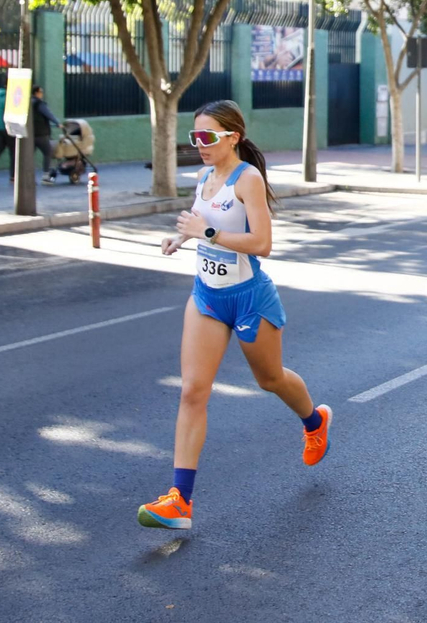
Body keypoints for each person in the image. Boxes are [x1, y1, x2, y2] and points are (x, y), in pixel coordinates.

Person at [137, 100, 330, 531]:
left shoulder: (249, 179)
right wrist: (179, 240)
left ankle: (314, 421)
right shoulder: (205, 177)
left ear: (233, 138)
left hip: (248, 297)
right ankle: (179, 501)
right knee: (192, 391)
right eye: (195, 137)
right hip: (207, 295)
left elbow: (262, 243)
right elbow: (200, 224)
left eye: (208, 137)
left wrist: (204, 232)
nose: (199, 145)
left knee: (271, 379)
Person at [31, 86, 63, 185]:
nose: (42, 94)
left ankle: (28, 177)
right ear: (36, 93)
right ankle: (45, 176)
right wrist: (58, 123)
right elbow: (48, 114)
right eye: (41, 92)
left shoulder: (28, 102)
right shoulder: (39, 103)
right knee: (47, 152)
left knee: (30, 156)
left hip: (31, 134)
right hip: (41, 133)